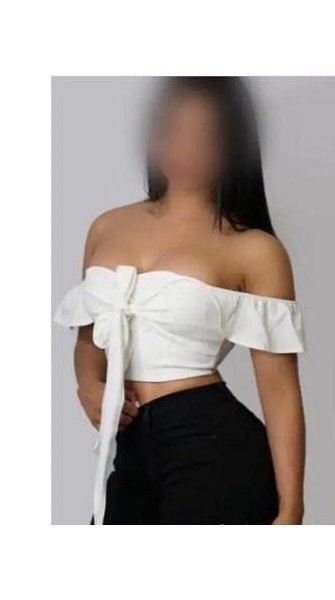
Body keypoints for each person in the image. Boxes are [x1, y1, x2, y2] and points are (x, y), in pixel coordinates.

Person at [54, 76, 306, 525]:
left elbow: (281, 393)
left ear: (234, 146)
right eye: (172, 128)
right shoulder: (107, 227)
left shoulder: (255, 250)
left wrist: (291, 509)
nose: (185, 147)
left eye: (205, 135)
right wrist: (88, 385)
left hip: (213, 446)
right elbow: (90, 338)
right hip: (130, 448)